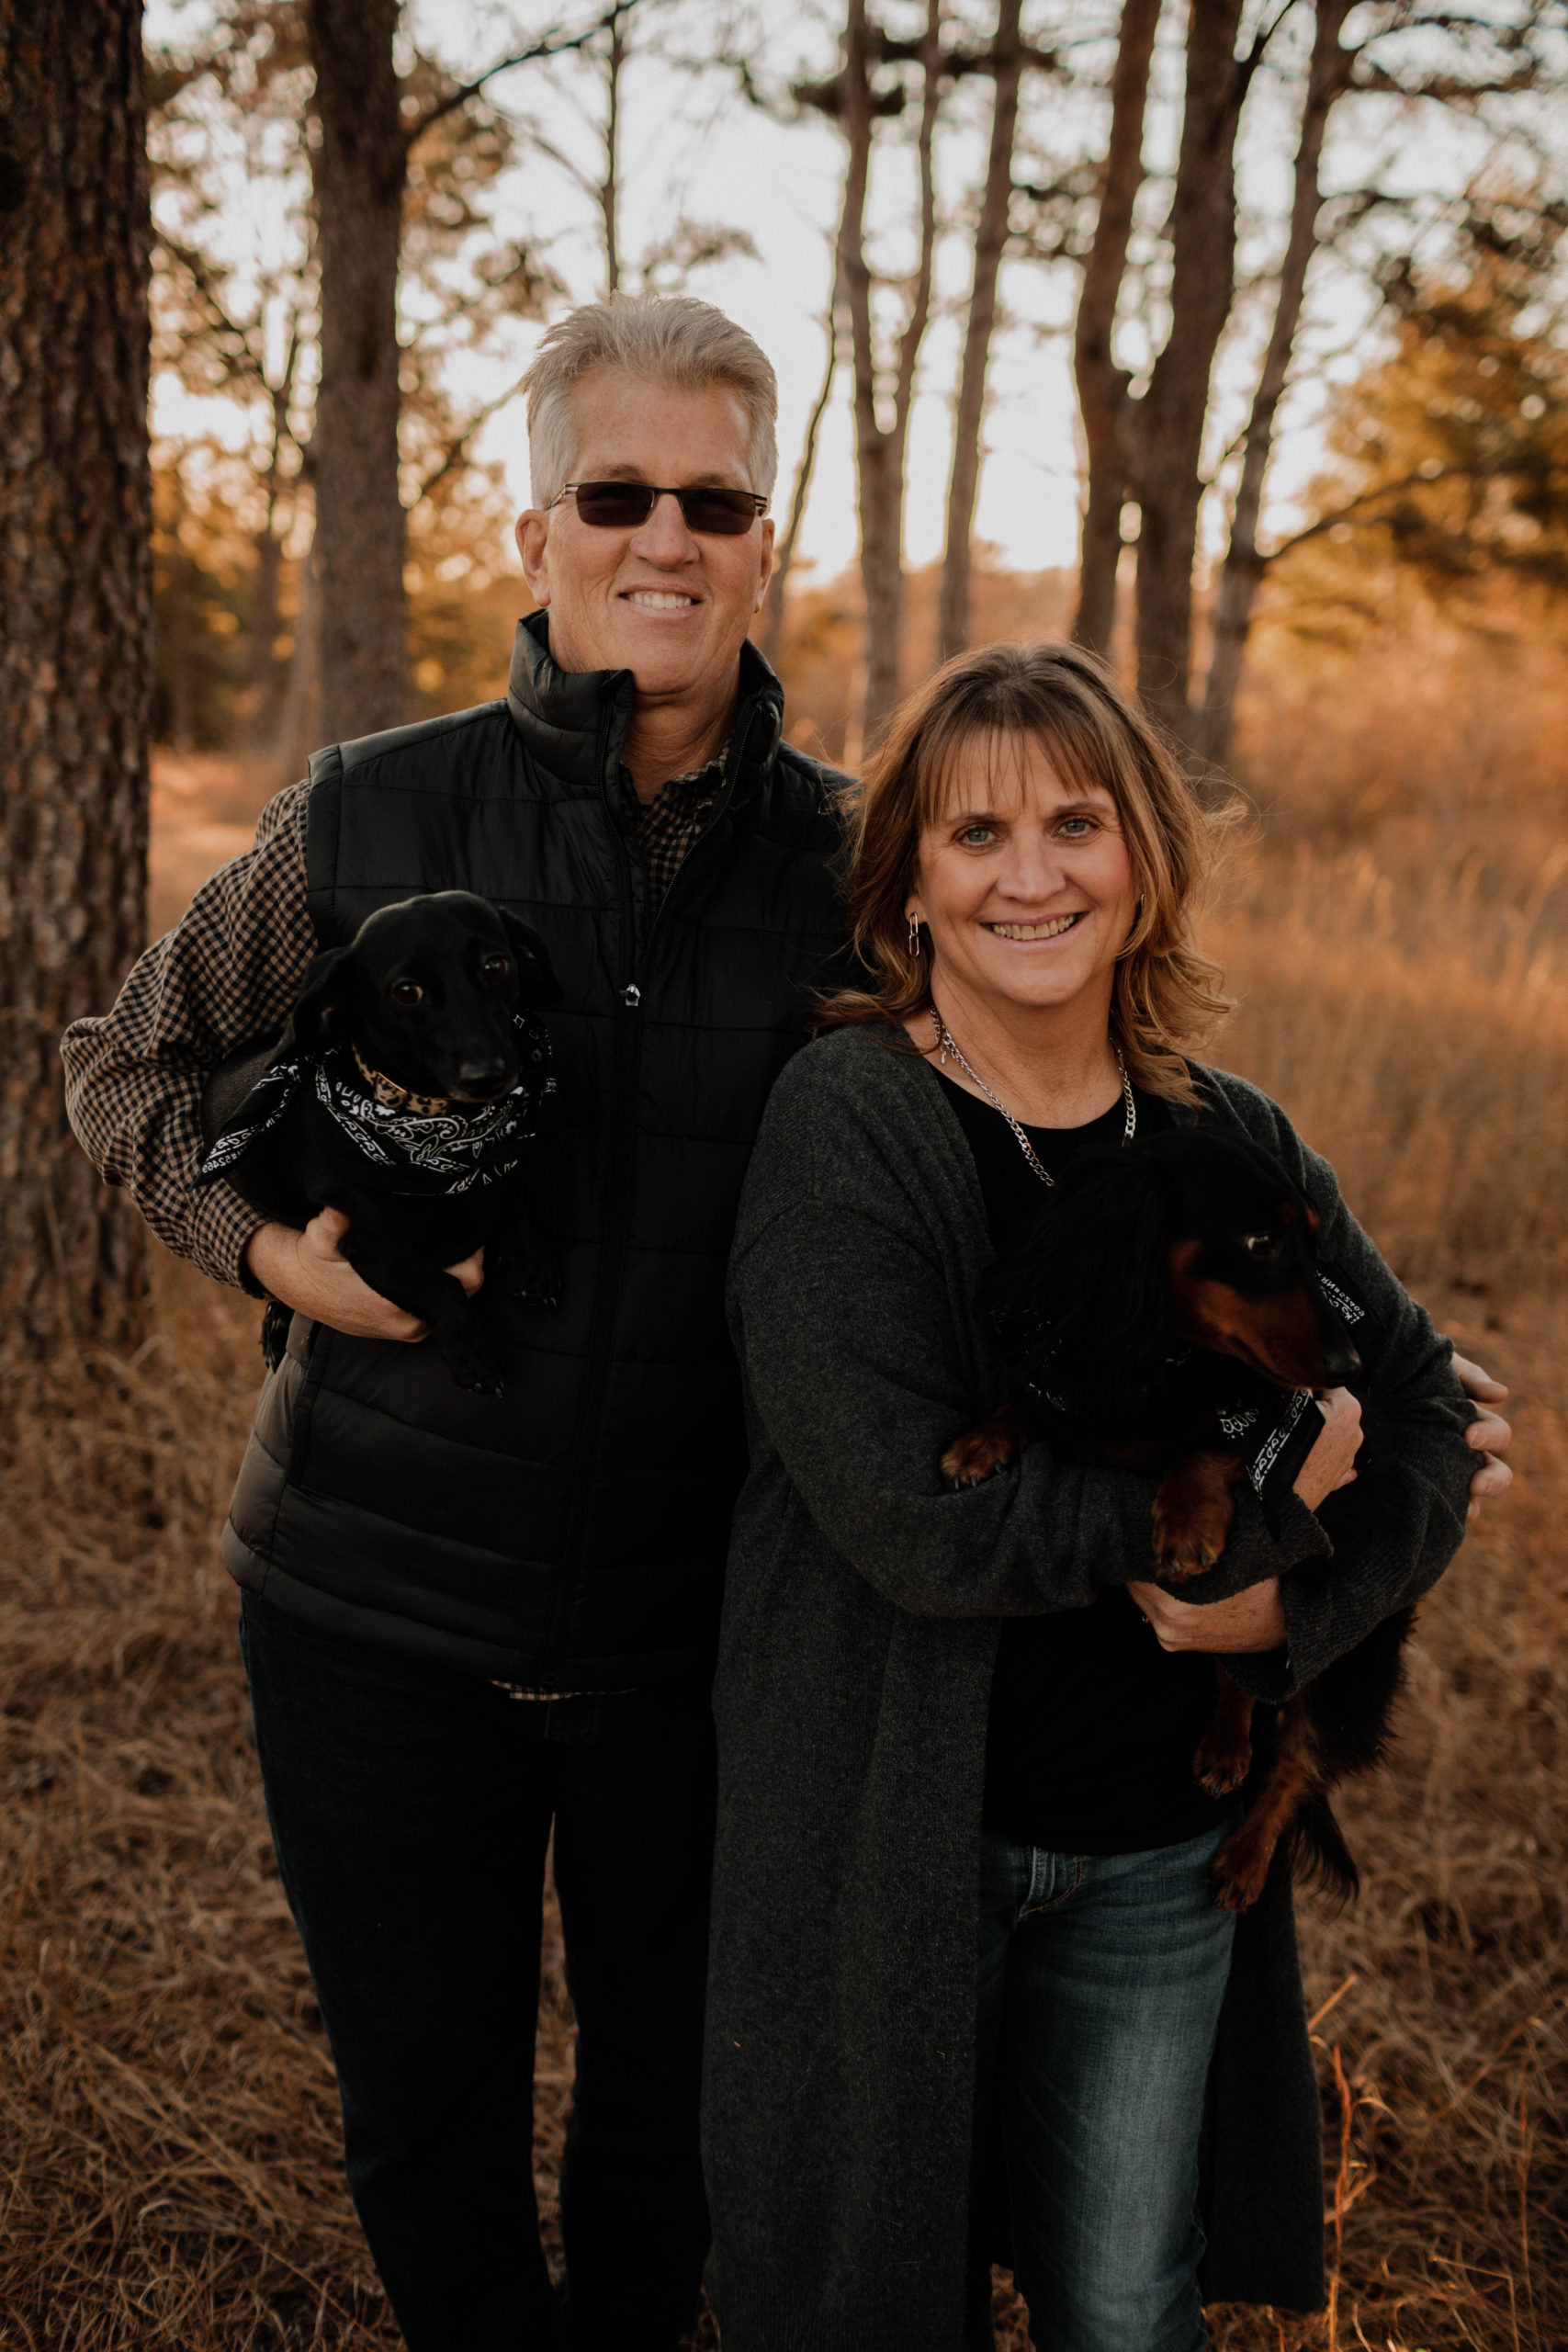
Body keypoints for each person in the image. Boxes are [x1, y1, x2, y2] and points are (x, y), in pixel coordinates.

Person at [61, 294, 852, 2352]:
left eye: (712, 497)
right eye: (615, 492)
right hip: (369, 1616)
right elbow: (123, 1068)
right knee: (424, 2123)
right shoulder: (367, 811)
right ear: (533, 530)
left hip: (704, 1640)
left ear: (763, 535)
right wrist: (267, 1257)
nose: (661, 538)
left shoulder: (858, 861)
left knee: (667, 2135)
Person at [701, 640, 1502, 2352]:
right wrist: (1262, 1512)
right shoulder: (853, 1124)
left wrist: (1293, 1605)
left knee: (1124, 2306)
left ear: (1143, 859)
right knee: (871, 2301)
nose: (1032, 873)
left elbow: (1424, 1413)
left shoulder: (1228, 1132)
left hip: (1160, 1849)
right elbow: (916, 1519)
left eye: (1077, 822)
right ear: (910, 879)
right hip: (897, 1835)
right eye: (976, 833)